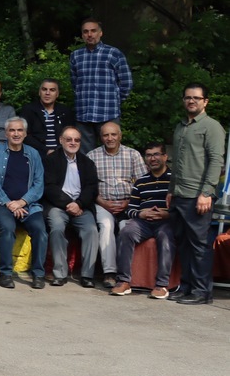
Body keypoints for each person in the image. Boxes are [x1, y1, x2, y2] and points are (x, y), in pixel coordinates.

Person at [167, 83, 225, 305]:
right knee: (183, 244)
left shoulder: (212, 127)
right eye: (187, 97)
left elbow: (216, 162)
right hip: (179, 194)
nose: (191, 101)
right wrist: (171, 191)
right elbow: (177, 163)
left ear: (205, 101)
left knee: (199, 246)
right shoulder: (180, 126)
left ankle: (202, 292)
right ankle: (187, 287)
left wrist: (206, 193)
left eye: (196, 98)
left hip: (198, 195)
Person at [0, 117, 48, 289]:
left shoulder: (33, 154)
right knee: (7, 227)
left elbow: (39, 184)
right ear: (6, 133)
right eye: (12, 130)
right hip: (0, 204)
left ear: (25, 133)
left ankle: (38, 274)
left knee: (40, 230)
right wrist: (8, 203)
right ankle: (5, 273)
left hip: (28, 205)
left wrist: (21, 202)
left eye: (20, 130)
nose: (16, 134)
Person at [109, 143, 174, 298]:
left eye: (156, 154)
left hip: (166, 221)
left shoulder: (174, 180)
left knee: (165, 236)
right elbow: (130, 209)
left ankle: (162, 285)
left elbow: (180, 208)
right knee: (126, 232)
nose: (153, 158)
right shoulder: (141, 181)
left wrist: (166, 214)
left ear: (165, 157)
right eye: (149, 155)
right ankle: (123, 281)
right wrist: (142, 214)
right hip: (143, 222)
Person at [87, 121, 146, 286]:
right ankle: (110, 273)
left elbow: (142, 184)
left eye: (113, 134)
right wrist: (103, 202)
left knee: (125, 228)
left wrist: (129, 202)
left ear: (120, 136)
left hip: (128, 203)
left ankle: (125, 272)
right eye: (105, 135)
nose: (110, 138)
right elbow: (88, 186)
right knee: (106, 225)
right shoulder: (92, 156)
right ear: (101, 137)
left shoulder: (133, 155)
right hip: (102, 203)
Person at [42, 126, 100, 287]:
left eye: (77, 140)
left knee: (91, 230)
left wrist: (79, 204)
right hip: (58, 206)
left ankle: (87, 275)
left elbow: (92, 188)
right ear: (61, 140)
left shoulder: (87, 162)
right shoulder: (50, 160)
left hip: (81, 207)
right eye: (69, 139)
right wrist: (69, 204)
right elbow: (49, 187)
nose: (73, 143)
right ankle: (60, 274)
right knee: (57, 228)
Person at [68, 18, 134, 151]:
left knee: (112, 151)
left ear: (100, 33)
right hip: (84, 114)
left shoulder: (113, 53)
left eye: (93, 31)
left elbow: (126, 82)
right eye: (86, 32)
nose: (89, 34)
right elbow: (75, 83)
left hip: (108, 113)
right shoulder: (76, 56)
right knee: (85, 155)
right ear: (82, 35)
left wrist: (114, 100)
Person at [20, 79, 75, 157]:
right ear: (39, 92)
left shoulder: (65, 111)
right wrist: (46, 151)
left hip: (61, 154)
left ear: (57, 94)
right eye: (44, 89)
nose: (47, 93)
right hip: (35, 154)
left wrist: (58, 151)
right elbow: (24, 135)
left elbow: (70, 134)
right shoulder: (29, 110)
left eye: (52, 90)